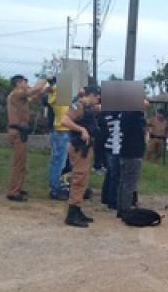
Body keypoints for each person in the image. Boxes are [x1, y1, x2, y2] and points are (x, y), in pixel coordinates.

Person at [60, 86, 101, 228]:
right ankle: (72, 214)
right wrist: (81, 129)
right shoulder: (77, 106)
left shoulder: (86, 107)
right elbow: (64, 121)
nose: (98, 101)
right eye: (97, 97)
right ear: (92, 95)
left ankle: (77, 210)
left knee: (83, 180)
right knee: (79, 179)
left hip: (86, 148)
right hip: (79, 147)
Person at [6, 75, 47, 202]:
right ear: (18, 83)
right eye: (25, 81)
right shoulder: (17, 93)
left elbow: (32, 98)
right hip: (17, 131)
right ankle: (13, 191)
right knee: (18, 163)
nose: (26, 83)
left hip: (20, 131)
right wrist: (46, 79)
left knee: (21, 162)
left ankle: (18, 187)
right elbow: (33, 90)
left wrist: (43, 91)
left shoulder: (19, 97)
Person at [117, 98, 149, 218]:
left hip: (124, 152)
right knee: (130, 184)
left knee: (122, 182)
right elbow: (145, 104)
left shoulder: (124, 114)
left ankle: (120, 209)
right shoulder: (133, 113)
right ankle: (126, 210)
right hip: (133, 153)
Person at [44, 75, 71, 200]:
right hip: (62, 130)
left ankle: (54, 187)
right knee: (59, 162)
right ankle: (55, 189)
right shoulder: (60, 90)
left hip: (58, 129)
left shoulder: (55, 92)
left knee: (56, 161)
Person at [100, 110, 122, 210]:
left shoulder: (108, 115)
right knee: (115, 176)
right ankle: (112, 201)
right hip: (115, 147)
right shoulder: (118, 117)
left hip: (108, 146)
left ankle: (105, 198)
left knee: (110, 174)